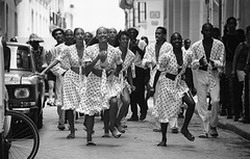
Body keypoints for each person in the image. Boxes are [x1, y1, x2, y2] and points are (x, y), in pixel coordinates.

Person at [79, 27, 123, 145]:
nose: (103, 35)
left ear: (108, 35)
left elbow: (120, 65)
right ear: (97, 36)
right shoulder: (89, 50)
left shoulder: (115, 51)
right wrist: (97, 58)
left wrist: (114, 71)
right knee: (91, 111)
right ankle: (89, 137)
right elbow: (86, 70)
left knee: (113, 101)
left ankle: (111, 125)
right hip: (93, 81)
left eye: (105, 33)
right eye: (100, 33)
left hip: (109, 81)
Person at [192, 23, 225, 138]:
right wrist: (198, 62)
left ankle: (213, 125)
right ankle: (204, 129)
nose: (208, 32)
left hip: (213, 74)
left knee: (215, 100)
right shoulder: (196, 46)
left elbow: (222, 62)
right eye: (205, 30)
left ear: (212, 32)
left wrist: (213, 62)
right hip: (201, 74)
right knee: (202, 102)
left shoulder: (219, 45)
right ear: (202, 32)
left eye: (210, 30)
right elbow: (192, 63)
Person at [110, 30, 136, 134]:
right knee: (114, 103)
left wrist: (132, 83)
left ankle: (117, 122)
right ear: (119, 40)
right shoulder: (114, 51)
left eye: (127, 39)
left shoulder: (131, 55)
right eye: (123, 39)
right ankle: (111, 126)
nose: (125, 41)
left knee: (126, 101)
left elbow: (128, 70)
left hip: (123, 80)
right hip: (112, 79)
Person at [127, 27, 149, 121]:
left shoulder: (141, 43)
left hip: (140, 68)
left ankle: (143, 109)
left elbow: (146, 55)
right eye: (130, 32)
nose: (132, 34)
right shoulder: (127, 43)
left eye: (134, 32)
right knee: (131, 92)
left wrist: (137, 49)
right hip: (130, 68)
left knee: (139, 91)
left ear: (137, 34)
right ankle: (134, 114)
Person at [222, 17, 242, 120]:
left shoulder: (239, 36)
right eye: (230, 23)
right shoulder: (225, 38)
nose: (232, 25)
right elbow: (223, 52)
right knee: (230, 87)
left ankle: (238, 110)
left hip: (239, 62)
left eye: (233, 23)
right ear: (227, 25)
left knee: (239, 87)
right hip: (229, 63)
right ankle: (230, 110)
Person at [48, 28, 67, 130]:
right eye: (56, 34)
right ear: (54, 37)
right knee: (60, 100)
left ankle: (70, 122)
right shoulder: (53, 49)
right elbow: (52, 64)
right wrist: (61, 72)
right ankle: (61, 121)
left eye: (60, 34)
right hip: (61, 76)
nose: (59, 36)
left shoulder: (70, 46)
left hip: (73, 75)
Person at [235, 26, 250, 123]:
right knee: (244, 91)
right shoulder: (242, 45)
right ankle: (244, 113)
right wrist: (233, 70)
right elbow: (235, 58)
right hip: (241, 69)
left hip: (247, 70)